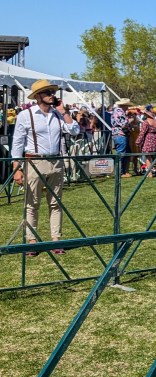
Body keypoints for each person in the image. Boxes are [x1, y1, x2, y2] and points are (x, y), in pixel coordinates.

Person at [10, 79, 80, 255]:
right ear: (38, 96)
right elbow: (17, 143)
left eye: (52, 92)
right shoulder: (26, 115)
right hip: (34, 162)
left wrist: (64, 112)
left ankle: (56, 240)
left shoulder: (57, 115)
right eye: (48, 92)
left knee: (56, 203)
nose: (52, 95)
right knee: (32, 204)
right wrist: (16, 168)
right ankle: (32, 242)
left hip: (56, 161)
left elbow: (74, 130)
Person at [111, 97, 131, 176]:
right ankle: (119, 172)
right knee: (121, 153)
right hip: (120, 135)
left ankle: (123, 171)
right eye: (127, 105)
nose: (128, 107)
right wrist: (130, 120)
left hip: (119, 135)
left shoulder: (118, 111)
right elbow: (123, 125)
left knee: (124, 153)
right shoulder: (119, 111)